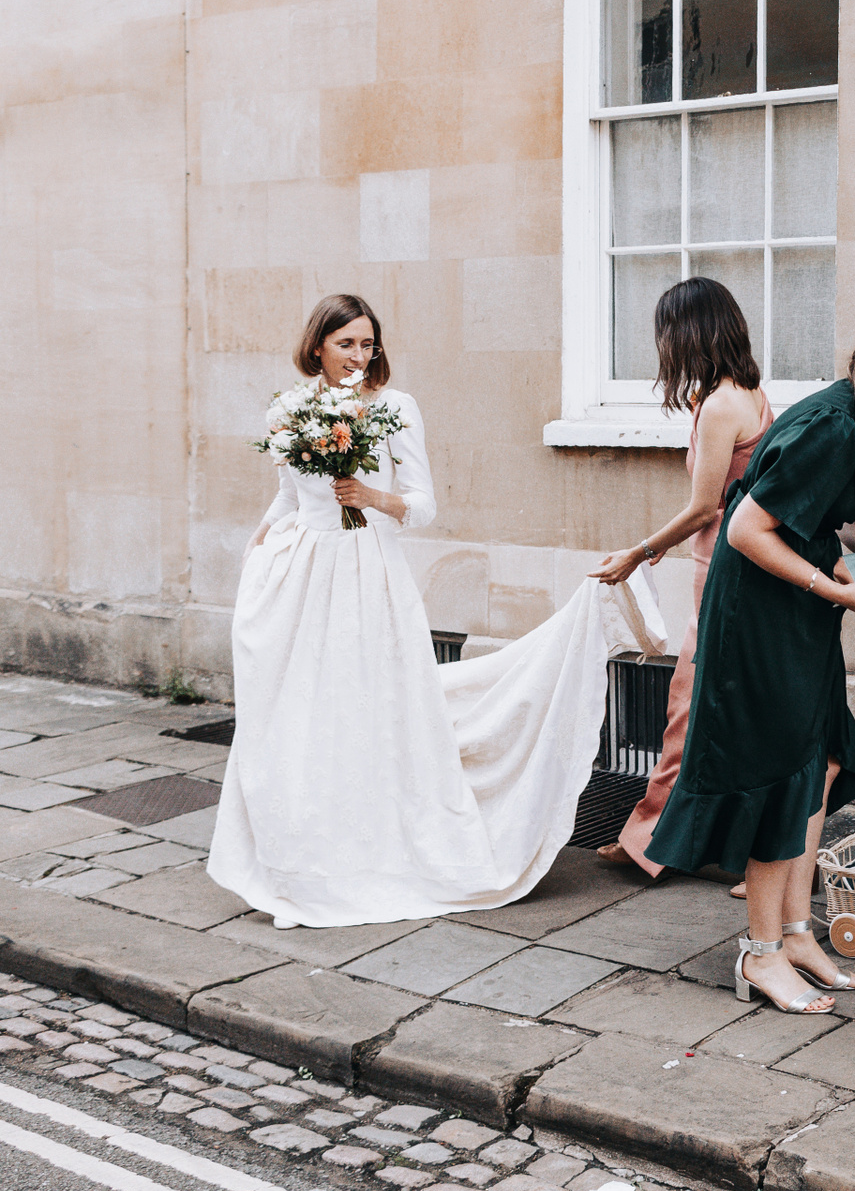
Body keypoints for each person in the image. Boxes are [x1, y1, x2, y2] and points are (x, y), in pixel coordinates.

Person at [209, 295, 655, 928]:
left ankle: (380, 850)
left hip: (367, 572)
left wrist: (371, 496)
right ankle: (301, 856)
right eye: (346, 344)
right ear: (317, 347)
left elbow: (423, 505)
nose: (359, 355)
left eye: (368, 344)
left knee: (368, 703)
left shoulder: (395, 408)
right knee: (304, 710)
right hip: (302, 576)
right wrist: (257, 553)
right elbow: (288, 497)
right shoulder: (293, 409)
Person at [644, 302, 855, 1014]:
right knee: (781, 767)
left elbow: (845, 513)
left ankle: (794, 933)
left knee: (824, 759)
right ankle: (759, 955)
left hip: (799, 604)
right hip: (760, 610)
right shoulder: (831, 425)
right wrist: (837, 589)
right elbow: (745, 529)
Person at [592, 278, 772, 877]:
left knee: (688, 708)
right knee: (719, 710)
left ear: (688, 334)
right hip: (732, 566)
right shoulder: (748, 394)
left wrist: (638, 552)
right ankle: (706, 843)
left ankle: (651, 842)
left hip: (723, 570)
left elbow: (702, 508)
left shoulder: (720, 406)